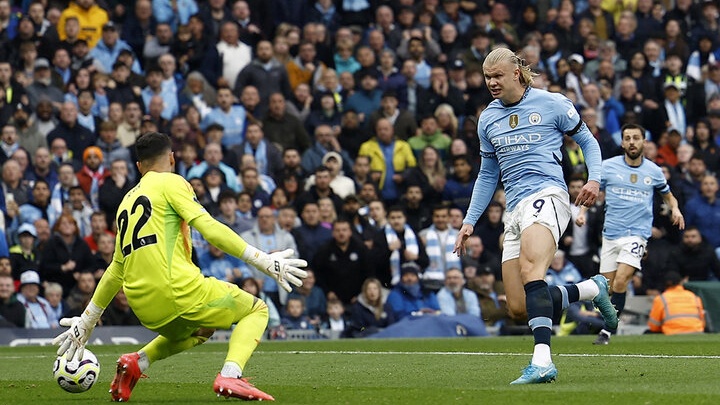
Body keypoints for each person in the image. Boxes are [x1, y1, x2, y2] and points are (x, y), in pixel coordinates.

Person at [52, 132, 307, 402]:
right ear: (172, 158)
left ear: (139, 166)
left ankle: (137, 362)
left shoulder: (125, 201)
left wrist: (88, 320)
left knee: (201, 330)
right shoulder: (172, 183)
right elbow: (208, 227)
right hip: (178, 290)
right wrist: (263, 260)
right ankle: (230, 375)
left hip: (143, 306)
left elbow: (116, 268)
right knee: (257, 310)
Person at [453, 47, 617, 385]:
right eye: (487, 78)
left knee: (532, 273)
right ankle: (590, 288)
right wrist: (469, 220)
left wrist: (594, 178)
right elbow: (487, 174)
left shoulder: (552, 103)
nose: (491, 83)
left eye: (497, 76)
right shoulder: (488, 118)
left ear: (516, 73)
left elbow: (587, 141)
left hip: (548, 196)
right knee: (518, 307)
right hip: (513, 209)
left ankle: (543, 362)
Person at [577, 123, 685, 346]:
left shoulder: (654, 171)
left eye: (636, 138)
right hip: (611, 234)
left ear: (644, 142)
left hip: (637, 235)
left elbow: (668, 195)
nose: (632, 142)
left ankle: (607, 331)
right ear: (623, 142)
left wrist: (675, 208)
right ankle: (608, 321)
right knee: (604, 288)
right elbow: (592, 191)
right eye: (627, 138)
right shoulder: (607, 167)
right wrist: (582, 213)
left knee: (622, 281)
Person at [647, 271, 705, 335]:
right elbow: (703, 321)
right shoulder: (694, 297)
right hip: (696, 331)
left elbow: (654, 326)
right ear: (680, 282)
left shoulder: (661, 299)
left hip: (672, 333)